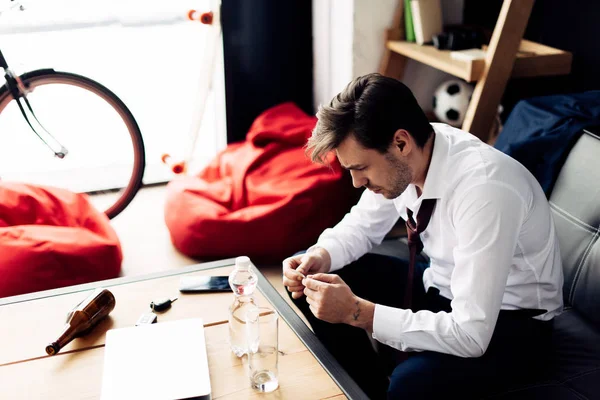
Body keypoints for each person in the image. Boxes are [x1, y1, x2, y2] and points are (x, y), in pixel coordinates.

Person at [282, 73, 564, 399]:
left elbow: (471, 334)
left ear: (400, 143)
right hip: (440, 285)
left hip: (512, 324)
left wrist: (356, 312)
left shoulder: (485, 189)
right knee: (314, 280)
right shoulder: (414, 153)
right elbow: (362, 225)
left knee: (410, 385)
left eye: (361, 168)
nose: (357, 183)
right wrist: (319, 255)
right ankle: (368, 390)